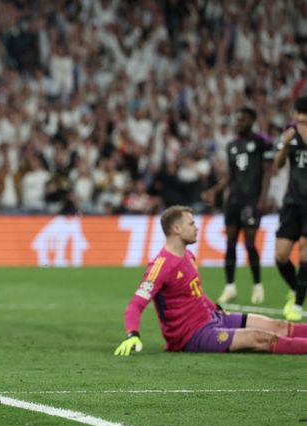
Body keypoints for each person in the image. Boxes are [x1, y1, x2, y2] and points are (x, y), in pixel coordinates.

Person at [114, 205, 307, 356]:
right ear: (176, 228)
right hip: (192, 335)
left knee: (277, 325)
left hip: (211, 317)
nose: (196, 227)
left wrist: (215, 308)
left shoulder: (188, 255)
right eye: (191, 224)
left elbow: (194, 293)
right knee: (260, 338)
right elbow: (136, 304)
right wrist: (133, 334)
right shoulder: (161, 266)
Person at [202, 107, 273, 305]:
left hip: (252, 199)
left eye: (242, 119)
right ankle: (230, 287)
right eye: (237, 119)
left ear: (251, 120)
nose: (238, 123)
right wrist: (215, 191)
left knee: (250, 243)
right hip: (234, 200)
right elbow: (230, 175)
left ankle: (258, 285)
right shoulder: (232, 145)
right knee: (230, 243)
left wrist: (263, 198)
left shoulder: (262, 142)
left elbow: (268, 172)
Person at [274, 96, 307, 322]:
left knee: (305, 248)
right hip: (292, 202)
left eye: (303, 114)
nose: (299, 118)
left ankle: (297, 305)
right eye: (297, 113)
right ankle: (297, 288)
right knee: (281, 255)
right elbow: (277, 165)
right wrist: (285, 144)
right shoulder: (290, 134)